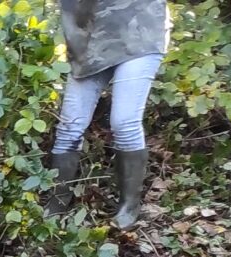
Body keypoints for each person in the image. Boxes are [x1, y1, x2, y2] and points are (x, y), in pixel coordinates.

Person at [48, 0, 171, 229]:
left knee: (124, 122)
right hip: (88, 43)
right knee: (69, 126)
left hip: (139, 34)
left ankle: (129, 207)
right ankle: (56, 202)